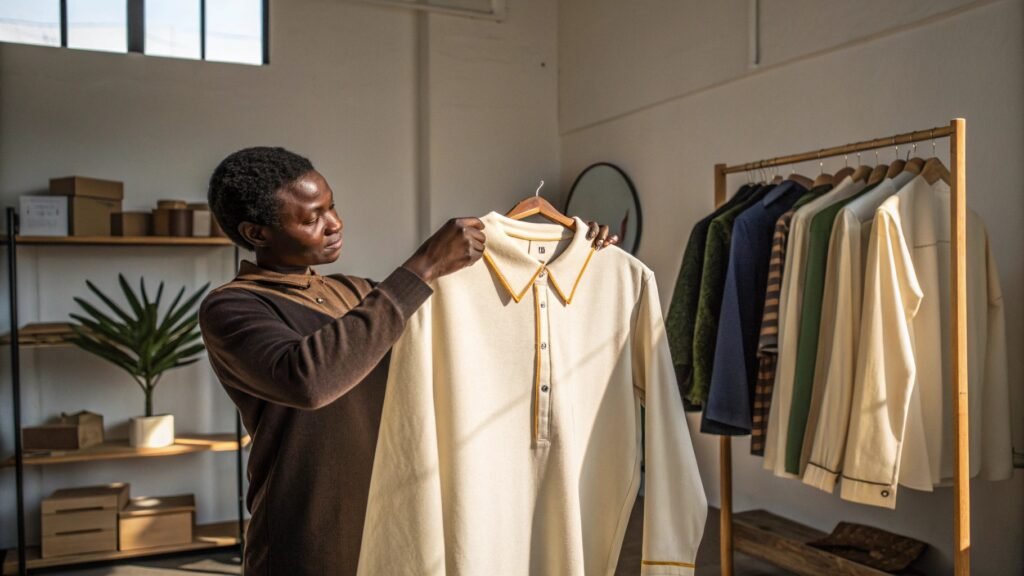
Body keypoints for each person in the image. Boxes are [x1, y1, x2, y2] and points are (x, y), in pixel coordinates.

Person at [198, 147, 616, 575]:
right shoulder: (232, 308)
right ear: (257, 233)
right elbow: (309, 380)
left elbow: (478, 326)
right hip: (308, 541)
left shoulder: (359, 292)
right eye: (311, 218)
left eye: (332, 207)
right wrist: (425, 264)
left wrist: (578, 255)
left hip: (398, 528)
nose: (335, 224)